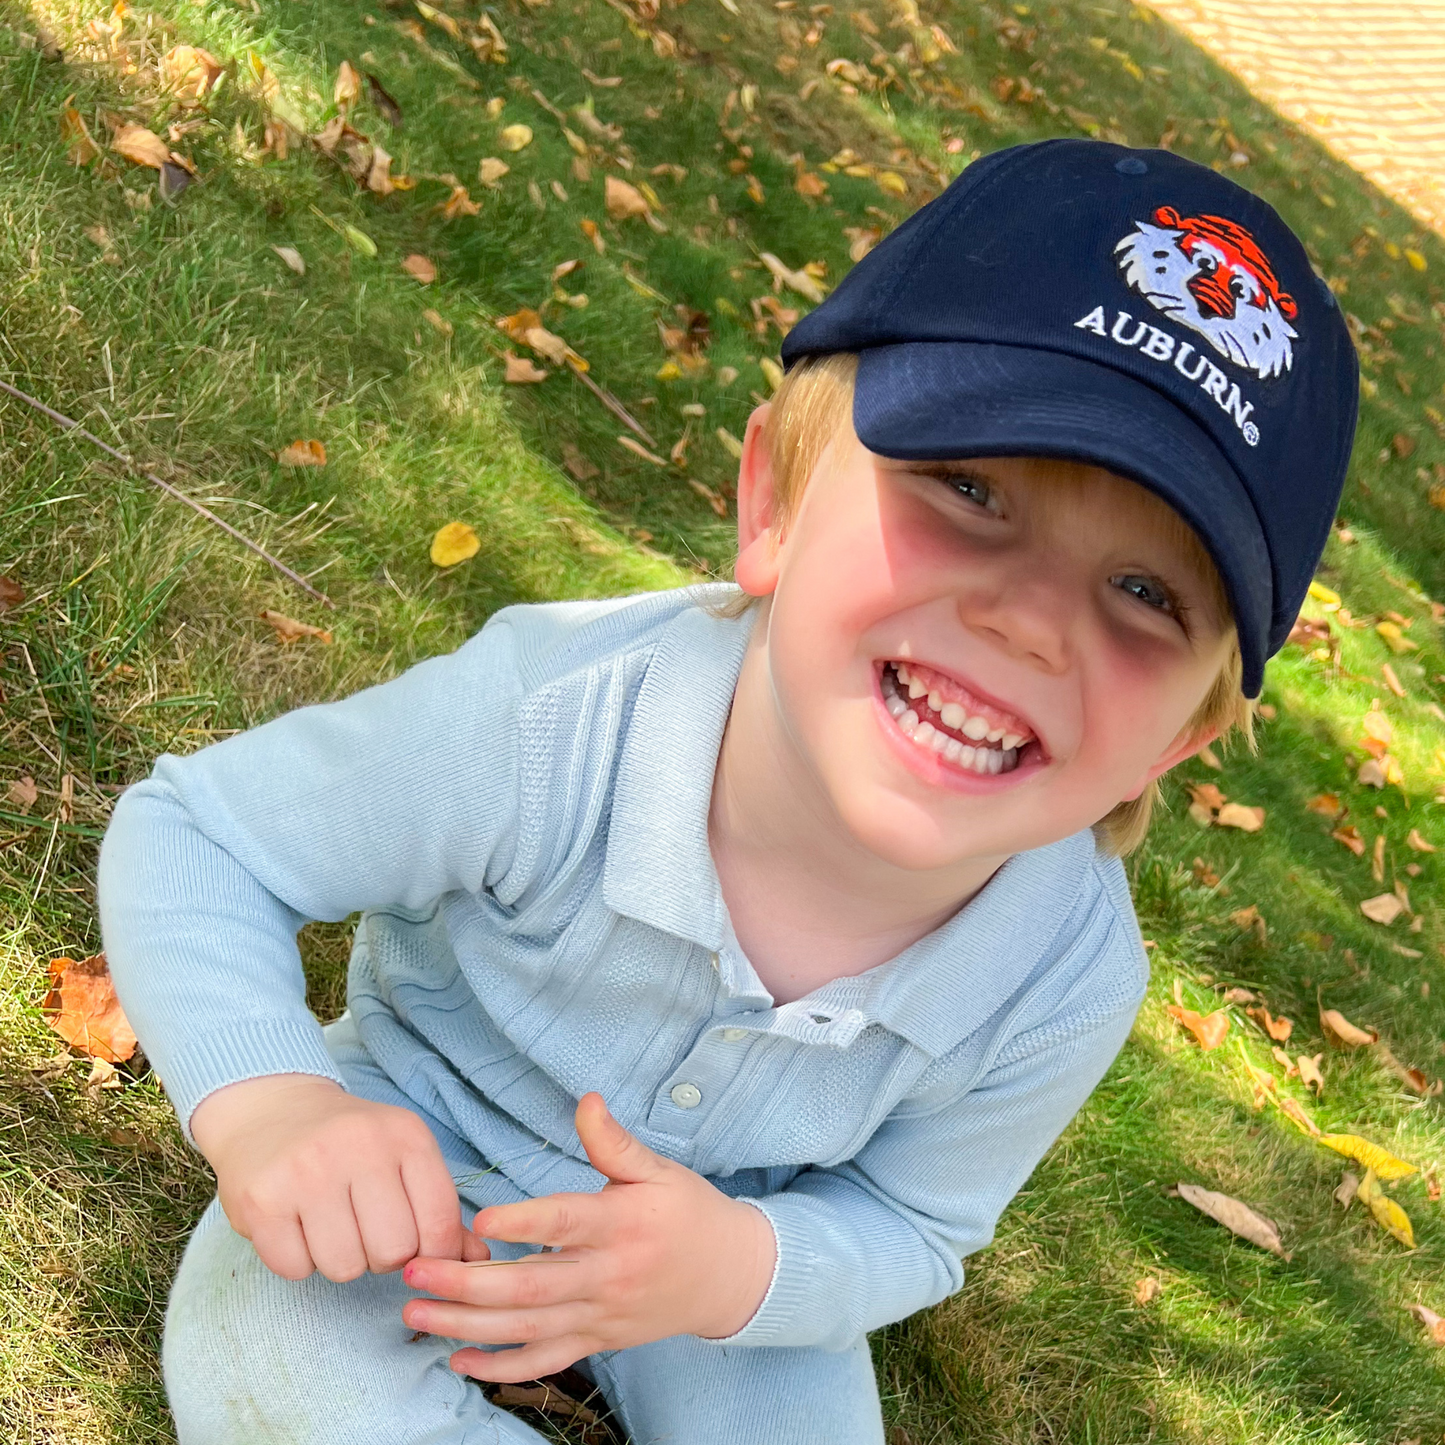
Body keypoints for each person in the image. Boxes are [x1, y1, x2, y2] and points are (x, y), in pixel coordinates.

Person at [98, 138, 1357, 1444]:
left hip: (723, 1263)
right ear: (773, 506)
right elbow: (195, 841)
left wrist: (739, 1270)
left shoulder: (1064, 974)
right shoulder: (555, 720)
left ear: (1173, 746)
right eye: (970, 490)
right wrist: (274, 1103)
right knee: (275, 1365)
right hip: (412, 1156)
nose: (1030, 623)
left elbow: (917, 1227)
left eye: (1148, 595)